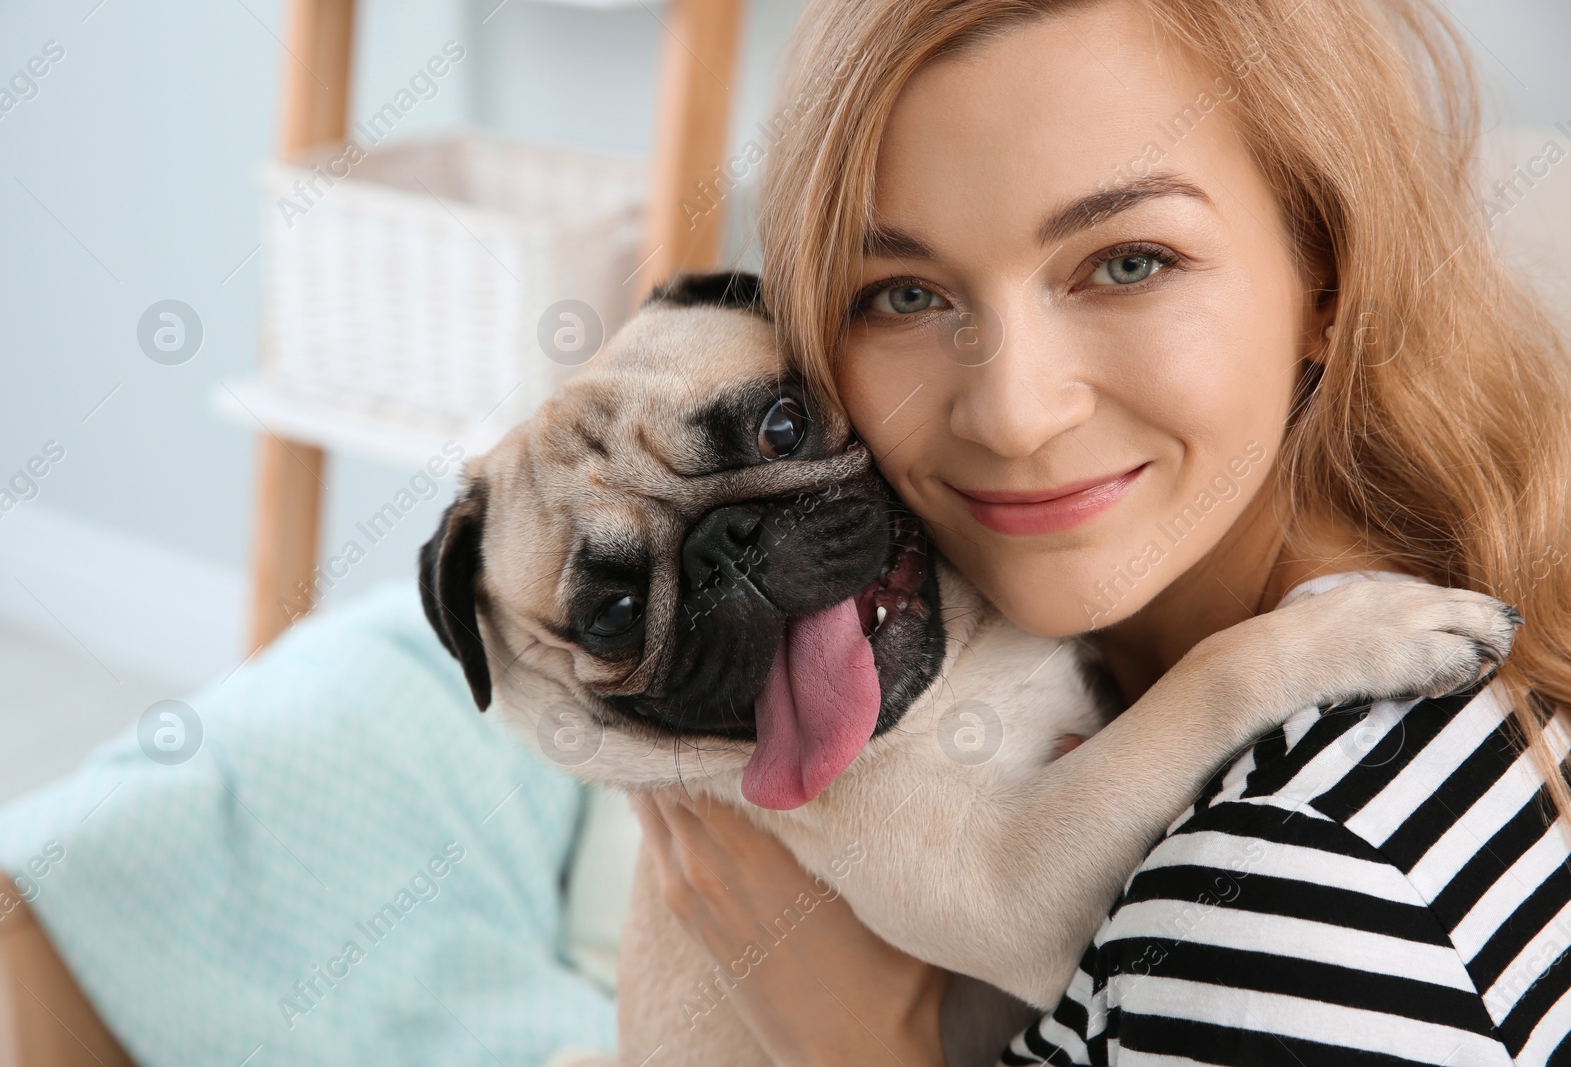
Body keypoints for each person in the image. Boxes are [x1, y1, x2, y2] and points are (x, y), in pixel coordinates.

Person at [631, 0, 1571, 1063]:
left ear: (1326, 275)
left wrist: (861, 1043)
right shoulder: (1455, 604)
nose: (1013, 413)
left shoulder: (1283, 885)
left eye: (1127, 262)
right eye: (901, 292)